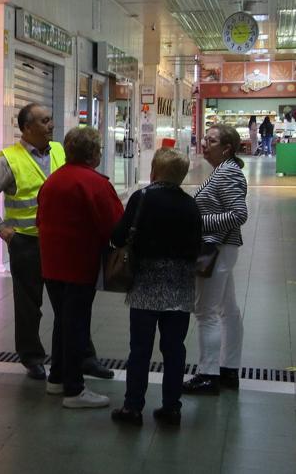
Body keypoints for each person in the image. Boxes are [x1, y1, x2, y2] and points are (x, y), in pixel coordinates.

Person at [0, 104, 114, 381]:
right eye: (45, 121)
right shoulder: (9, 159)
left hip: (61, 243)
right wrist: (1, 228)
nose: (51, 125)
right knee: (28, 305)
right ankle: (32, 358)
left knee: (70, 307)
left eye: (51, 119)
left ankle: (84, 357)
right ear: (27, 128)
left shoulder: (61, 151)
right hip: (26, 243)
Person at [110, 148, 202, 426]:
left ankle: (133, 407)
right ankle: (171, 408)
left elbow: (118, 236)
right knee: (174, 349)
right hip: (180, 289)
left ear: (154, 172)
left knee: (140, 349)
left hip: (145, 287)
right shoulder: (190, 204)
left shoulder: (142, 198)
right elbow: (196, 246)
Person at [36, 126, 123, 408]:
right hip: (79, 265)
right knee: (76, 325)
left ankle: (57, 378)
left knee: (63, 320)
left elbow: (40, 219)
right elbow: (115, 226)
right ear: (93, 154)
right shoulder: (96, 184)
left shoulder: (52, 181)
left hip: (51, 264)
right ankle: (74, 390)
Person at [183, 125, 248, 395]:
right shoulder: (223, 171)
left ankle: (208, 374)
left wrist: (197, 222)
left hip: (216, 248)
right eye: (204, 139)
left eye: (211, 141)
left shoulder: (228, 173)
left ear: (227, 148)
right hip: (221, 248)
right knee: (227, 309)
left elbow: (238, 214)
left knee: (205, 312)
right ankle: (229, 369)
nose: (204, 144)